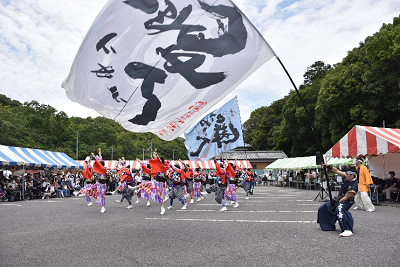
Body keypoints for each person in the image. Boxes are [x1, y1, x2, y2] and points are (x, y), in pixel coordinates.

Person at [318, 165, 358, 237]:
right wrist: (328, 166)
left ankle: (348, 229)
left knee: (340, 209)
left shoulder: (354, 185)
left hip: (346, 201)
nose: (346, 176)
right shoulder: (347, 176)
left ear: (352, 176)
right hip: (339, 198)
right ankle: (328, 226)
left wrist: (337, 203)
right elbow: (337, 171)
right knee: (324, 207)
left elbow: (346, 197)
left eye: (347, 175)